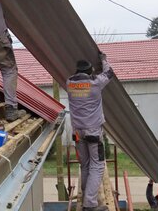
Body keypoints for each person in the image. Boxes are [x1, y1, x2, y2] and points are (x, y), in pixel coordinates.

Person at [66, 51, 114, 211]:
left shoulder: (69, 83)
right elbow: (109, 72)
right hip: (93, 131)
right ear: (89, 72)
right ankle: (90, 205)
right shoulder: (95, 83)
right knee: (98, 165)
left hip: (78, 132)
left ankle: (87, 196)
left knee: (85, 165)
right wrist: (104, 60)